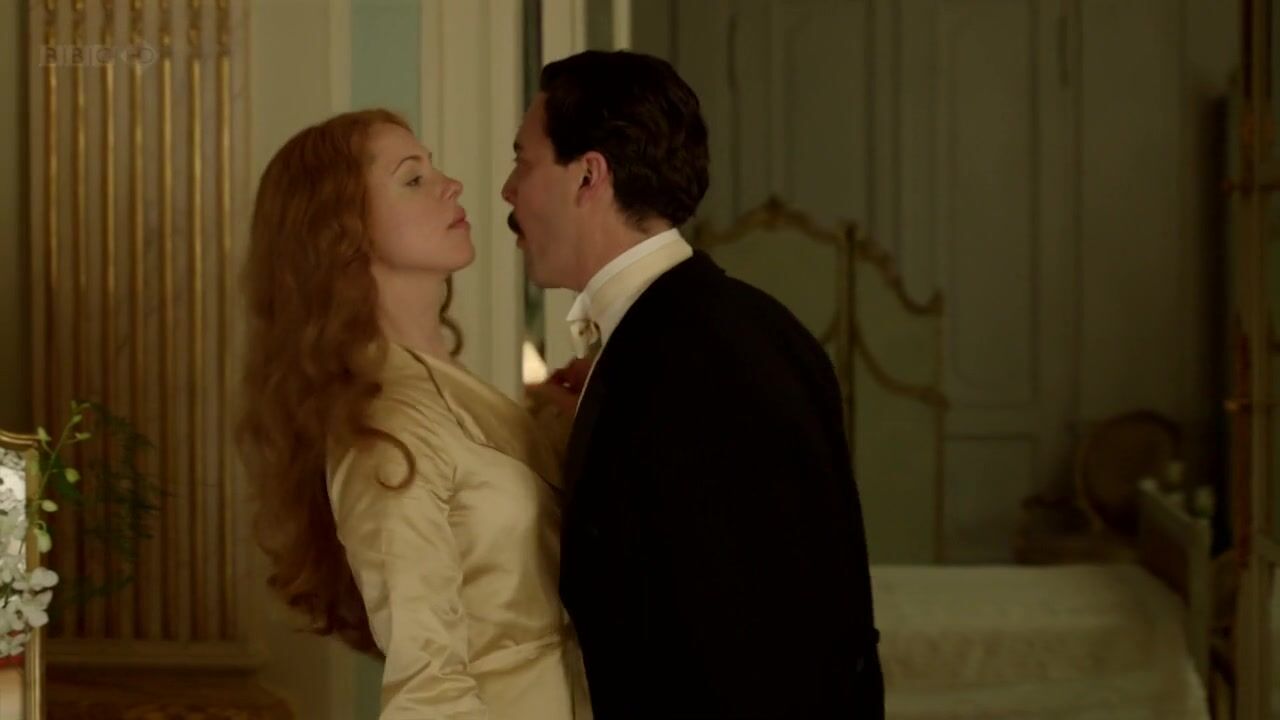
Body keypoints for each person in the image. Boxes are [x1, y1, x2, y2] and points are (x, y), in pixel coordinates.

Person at [506, 51, 884, 718]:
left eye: (523, 162)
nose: (508, 191)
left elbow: (752, 642)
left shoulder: (689, 358)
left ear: (589, 175)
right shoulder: (731, 328)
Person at [238, 109, 589, 720]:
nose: (451, 185)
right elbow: (427, 685)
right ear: (343, 230)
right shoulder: (384, 427)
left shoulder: (456, 390)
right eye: (413, 178)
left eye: (433, 168)